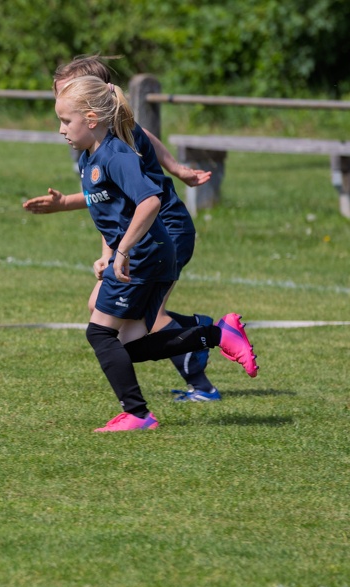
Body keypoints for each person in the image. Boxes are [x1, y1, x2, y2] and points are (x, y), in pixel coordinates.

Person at [54, 75, 258, 432]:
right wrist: (108, 251)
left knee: (100, 334)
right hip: (145, 254)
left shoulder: (117, 155)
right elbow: (109, 212)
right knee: (129, 346)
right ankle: (217, 334)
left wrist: (123, 251)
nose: (60, 130)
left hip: (146, 254)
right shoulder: (89, 158)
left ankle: (137, 414)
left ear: (91, 119)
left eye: (65, 121)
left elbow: (150, 202)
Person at [24, 55, 221, 402]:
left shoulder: (116, 139)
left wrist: (177, 170)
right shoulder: (95, 143)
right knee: (114, 320)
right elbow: (109, 204)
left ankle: (203, 358)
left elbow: (139, 202)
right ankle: (202, 335)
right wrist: (103, 246)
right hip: (141, 231)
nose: (61, 119)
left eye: (66, 99)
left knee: (138, 321)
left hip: (163, 229)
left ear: (92, 102)